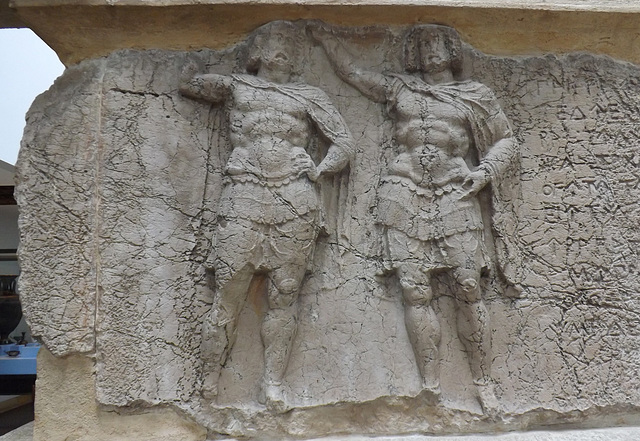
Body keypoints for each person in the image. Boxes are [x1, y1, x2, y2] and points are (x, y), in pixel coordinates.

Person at [310, 22, 520, 414]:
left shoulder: (476, 95)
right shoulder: (400, 88)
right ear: (413, 54)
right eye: (422, 44)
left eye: (439, 42)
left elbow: (506, 138)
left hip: (456, 190)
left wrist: (485, 171)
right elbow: (355, 75)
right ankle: (430, 386)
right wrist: (326, 39)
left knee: (469, 284)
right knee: (415, 290)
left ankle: (483, 381)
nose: (431, 50)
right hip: (402, 191)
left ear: (453, 49)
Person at [180, 21, 354, 407]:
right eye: (274, 42)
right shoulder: (238, 86)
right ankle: (209, 379)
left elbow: (343, 142)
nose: (282, 50)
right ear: (257, 49)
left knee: (285, 293)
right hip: (244, 192)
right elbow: (190, 86)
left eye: (290, 44)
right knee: (229, 289)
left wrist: (320, 169)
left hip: (294, 195)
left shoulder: (309, 95)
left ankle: (273, 382)